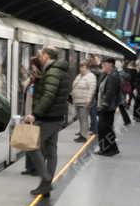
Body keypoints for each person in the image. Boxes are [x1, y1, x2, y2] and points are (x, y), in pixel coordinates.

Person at [23, 47, 71, 197]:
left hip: (48, 118)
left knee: (30, 145)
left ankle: (46, 177)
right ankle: (45, 187)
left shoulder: (52, 72)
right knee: (51, 152)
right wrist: (38, 79)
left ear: (46, 56)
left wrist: (35, 114)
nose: (39, 57)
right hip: (55, 117)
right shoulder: (57, 71)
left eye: (41, 55)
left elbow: (49, 96)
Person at [21, 55, 44, 175]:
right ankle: (29, 167)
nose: (32, 69)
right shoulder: (31, 80)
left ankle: (36, 168)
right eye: (31, 67)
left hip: (36, 115)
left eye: (34, 67)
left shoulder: (42, 80)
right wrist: (30, 78)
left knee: (35, 143)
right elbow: (24, 88)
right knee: (27, 141)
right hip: (27, 113)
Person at [95, 58, 120, 156]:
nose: (102, 66)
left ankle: (106, 150)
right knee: (107, 129)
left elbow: (110, 93)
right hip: (106, 107)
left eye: (104, 64)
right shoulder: (108, 75)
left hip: (107, 108)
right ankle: (112, 149)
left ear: (110, 65)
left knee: (103, 129)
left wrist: (103, 106)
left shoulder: (112, 76)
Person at [70, 60, 96, 142]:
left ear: (87, 67)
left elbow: (91, 89)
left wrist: (88, 100)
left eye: (82, 67)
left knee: (84, 119)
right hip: (78, 101)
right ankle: (82, 133)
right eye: (80, 67)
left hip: (84, 101)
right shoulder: (79, 76)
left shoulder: (91, 76)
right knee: (81, 119)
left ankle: (84, 136)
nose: (80, 68)